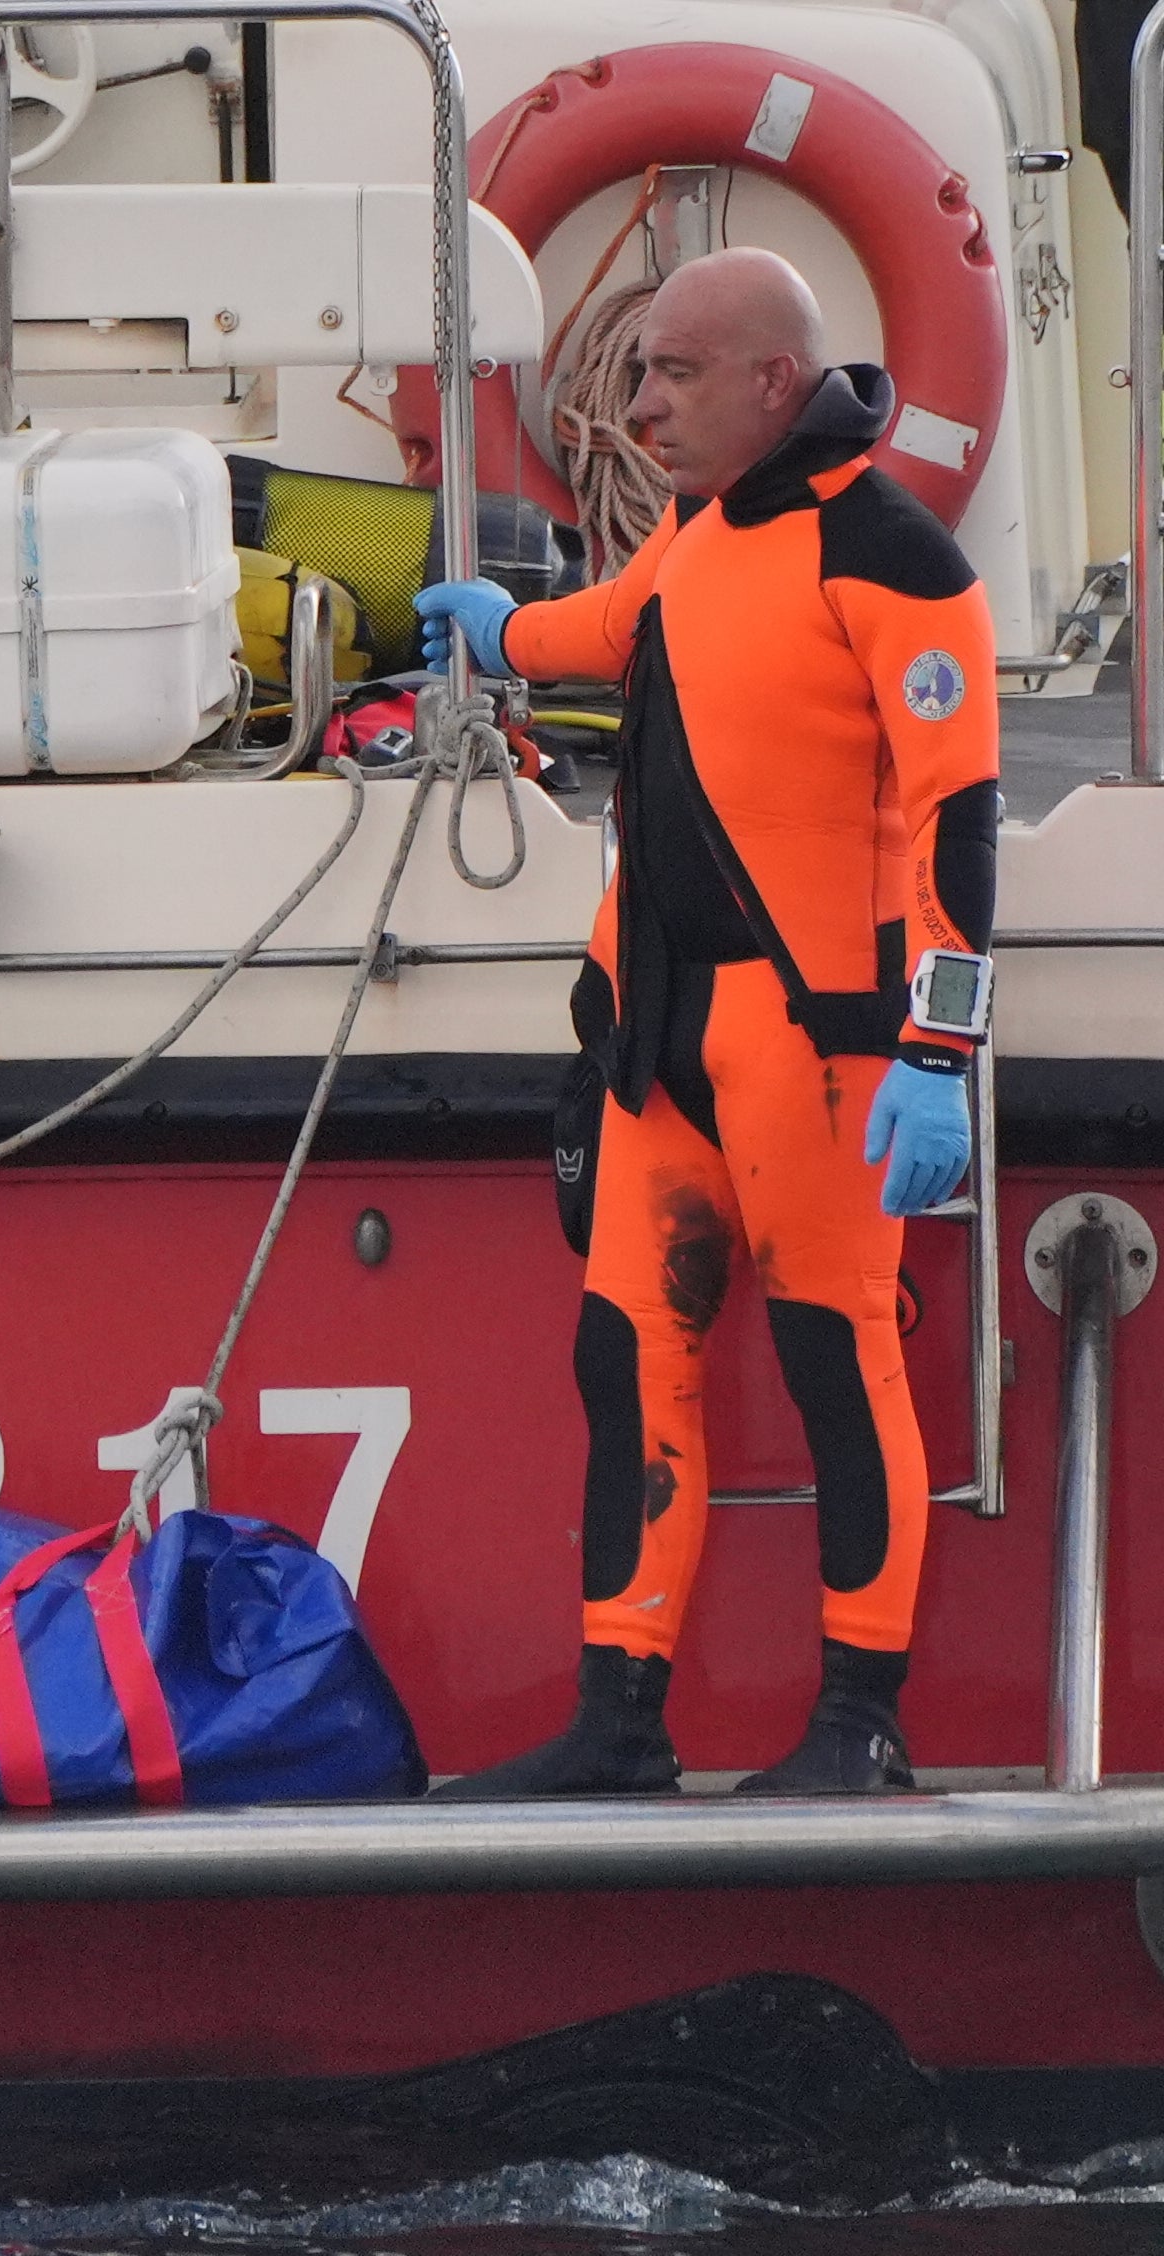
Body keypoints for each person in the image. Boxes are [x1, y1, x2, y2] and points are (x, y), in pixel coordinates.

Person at [412, 248, 999, 1797]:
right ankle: (620, 1724)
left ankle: (857, 1723)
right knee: (626, 1363)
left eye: (670, 371)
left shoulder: (894, 558)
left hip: (817, 1048)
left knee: (834, 1362)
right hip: (657, 1035)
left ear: (768, 382)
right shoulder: (697, 528)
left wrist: (940, 1054)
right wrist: (498, 632)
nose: (637, 398)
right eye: (639, 367)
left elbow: (960, 822)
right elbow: (618, 626)